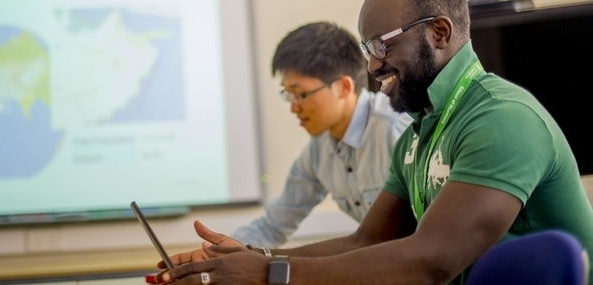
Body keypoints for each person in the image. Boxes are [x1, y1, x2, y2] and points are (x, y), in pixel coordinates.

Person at [154, 0, 593, 284]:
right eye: (367, 47)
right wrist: (252, 257)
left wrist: (271, 274)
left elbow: (431, 261)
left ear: (439, 33)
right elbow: (367, 242)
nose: (371, 64)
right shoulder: (421, 134)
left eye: (380, 45)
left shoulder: (501, 119)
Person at [230, 21, 412, 249]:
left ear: (344, 87)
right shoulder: (318, 150)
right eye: (288, 95)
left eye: (301, 94)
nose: (294, 107)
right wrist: (215, 255)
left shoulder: (397, 129)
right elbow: (273, 226)